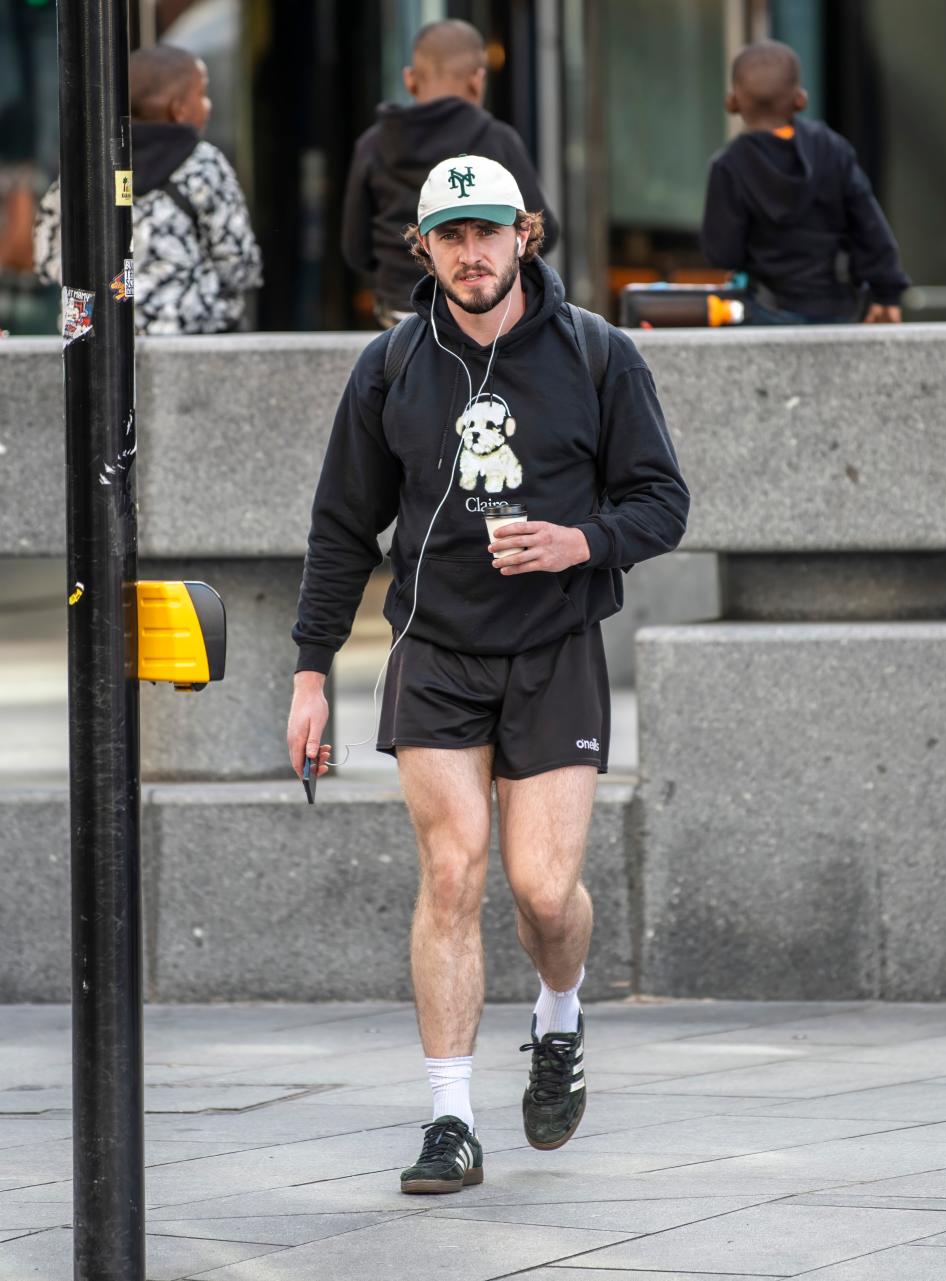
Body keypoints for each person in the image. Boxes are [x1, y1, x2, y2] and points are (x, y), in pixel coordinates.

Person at [288, 154, 688, 1194]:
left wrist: (580, 543)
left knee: (543, 889)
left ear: (528, 234)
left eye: (490, 231)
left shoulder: (597, 356)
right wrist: (310, 672)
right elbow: (341, 528)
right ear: (424, 248)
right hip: (437, 649)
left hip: (554, 648)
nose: (473, 252)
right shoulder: (389, 367)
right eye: (451, 235)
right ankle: (451, 1117)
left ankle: (559, 1015)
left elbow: (663, 503)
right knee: (454, 872)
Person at [341, 18, 558, 328]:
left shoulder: (373, 145)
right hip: (483, 313)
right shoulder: (498, 140)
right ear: (478, 80)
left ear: (410, 80)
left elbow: (356, 250)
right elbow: (542, 232)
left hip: (399, 315)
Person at [33, 45, 261, 335]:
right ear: (178, 110)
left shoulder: (84, 166)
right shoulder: (202, 164)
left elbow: (46, 257)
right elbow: (238, 263)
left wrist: (111, 291)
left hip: (92, 337)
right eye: (202, 94)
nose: (208, 105)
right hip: (190, 340)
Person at [701, 40, 909, 325]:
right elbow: (869, 225)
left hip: (766, 309)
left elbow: (722, 253)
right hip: (839, 307)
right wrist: (887, 293)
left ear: (733, 101)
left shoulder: (728, 167)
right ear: (800, 99)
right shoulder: (832, 149)